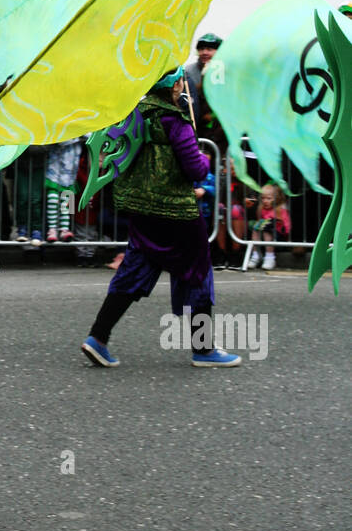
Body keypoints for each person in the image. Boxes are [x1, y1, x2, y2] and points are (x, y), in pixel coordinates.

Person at [81, 67, 241, 368]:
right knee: (199, 272)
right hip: (176, 213)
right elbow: (195, 170)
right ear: (175, 84)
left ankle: (97, 337)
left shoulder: (135, 113)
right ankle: (204, 349)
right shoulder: (175, 120)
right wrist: (203, 159)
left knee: (134, 269)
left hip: (142, 209)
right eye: (181, 80)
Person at [246, 182, 291, 271]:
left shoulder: (280, 209)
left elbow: (286, 226)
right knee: (256, 227)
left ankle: (270, 257)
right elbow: (260, 221)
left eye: (269, 198)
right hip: (264, 234)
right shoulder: (261, 208)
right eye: (263, 198)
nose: (265, 201)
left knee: (267, 229)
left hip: (279, 235)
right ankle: (255, 255)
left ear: (276, 198)